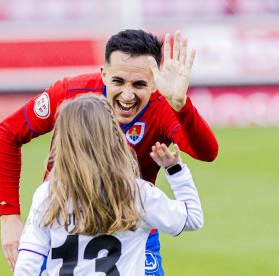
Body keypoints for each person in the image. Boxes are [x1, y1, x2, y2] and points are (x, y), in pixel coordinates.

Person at [0, 29, 219, 274]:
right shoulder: (72, 95)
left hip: (130, 223)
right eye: (118, 81)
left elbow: (206, 152)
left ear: (154, 82)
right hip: (63, 220)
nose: (127, 95)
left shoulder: (162, 107)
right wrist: (9, 215)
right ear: (104, 74)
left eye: (139, 84)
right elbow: (8, 133)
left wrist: (181, 106)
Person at [13, 94, 204, 275]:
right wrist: (175, 170)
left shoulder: (48, 194)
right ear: (114, 137)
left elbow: (26, 267)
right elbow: (193, 218)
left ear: (63, 143)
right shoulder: (137, 193)